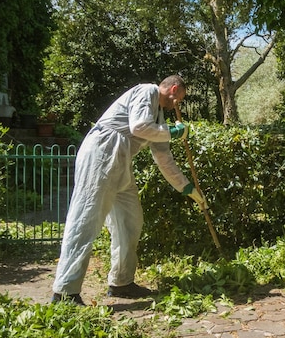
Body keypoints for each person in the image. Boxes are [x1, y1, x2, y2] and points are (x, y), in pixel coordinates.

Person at [51, 75, 207, 305]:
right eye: (179, 99)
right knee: (86, 220)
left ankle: (121, 283)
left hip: (121, 162)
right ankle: (65, 292)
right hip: (102, 151)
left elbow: (164, 159)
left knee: (130, 220)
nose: (177, 105)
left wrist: (187, 188)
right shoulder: (147, 92)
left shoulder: (159, 117)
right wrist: (173, 133)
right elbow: (138, 126)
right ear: (173, 89)